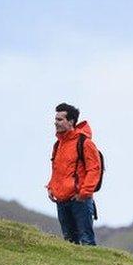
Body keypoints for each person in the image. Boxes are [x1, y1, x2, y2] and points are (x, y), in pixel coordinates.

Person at [46, 102, 101, 245]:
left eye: (60, 119)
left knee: (86, 240)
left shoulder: (85, 143)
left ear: (70, 122)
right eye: (55, 119)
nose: (55, 123)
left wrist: (84, 193)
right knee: (69, 243)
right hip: (62, 200)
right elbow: (57, 169)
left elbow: (94, 168)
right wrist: (51, 187)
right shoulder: (58, 144)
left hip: (80, 200)